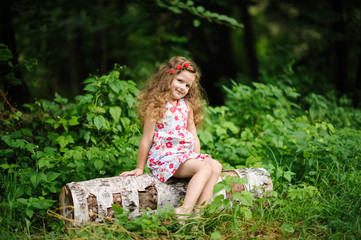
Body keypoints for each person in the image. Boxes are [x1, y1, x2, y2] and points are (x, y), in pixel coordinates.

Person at [120, 56, 222, 217]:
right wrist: (140, 167)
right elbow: (147, 138)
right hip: (164, 157)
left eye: (187, 85)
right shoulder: (156, 105)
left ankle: (197, 215)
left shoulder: (186, 106)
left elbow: (193, 133)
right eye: (180, 81)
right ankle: (184, 210)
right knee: (204, 168)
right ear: (169, 77)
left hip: (183, 155)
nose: (183, 87)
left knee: (215, 166)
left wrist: (196, 156)